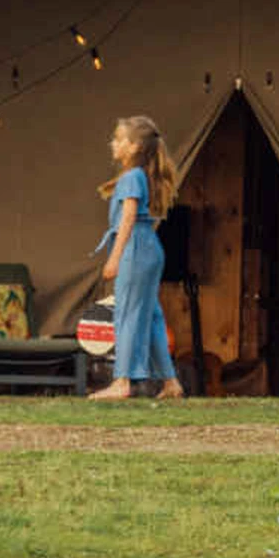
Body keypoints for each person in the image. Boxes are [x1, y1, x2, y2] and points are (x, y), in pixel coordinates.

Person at [91, 115, 181, 400]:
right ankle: (170, 382)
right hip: (148, 247)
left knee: (127, 313)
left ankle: (122, 381)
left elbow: (128, 217)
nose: (113, 143)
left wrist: (115, 258)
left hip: (135, 248)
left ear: (134, 147)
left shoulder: (132, 177)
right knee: (151, 316)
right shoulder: (139, 176)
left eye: (118, 139)